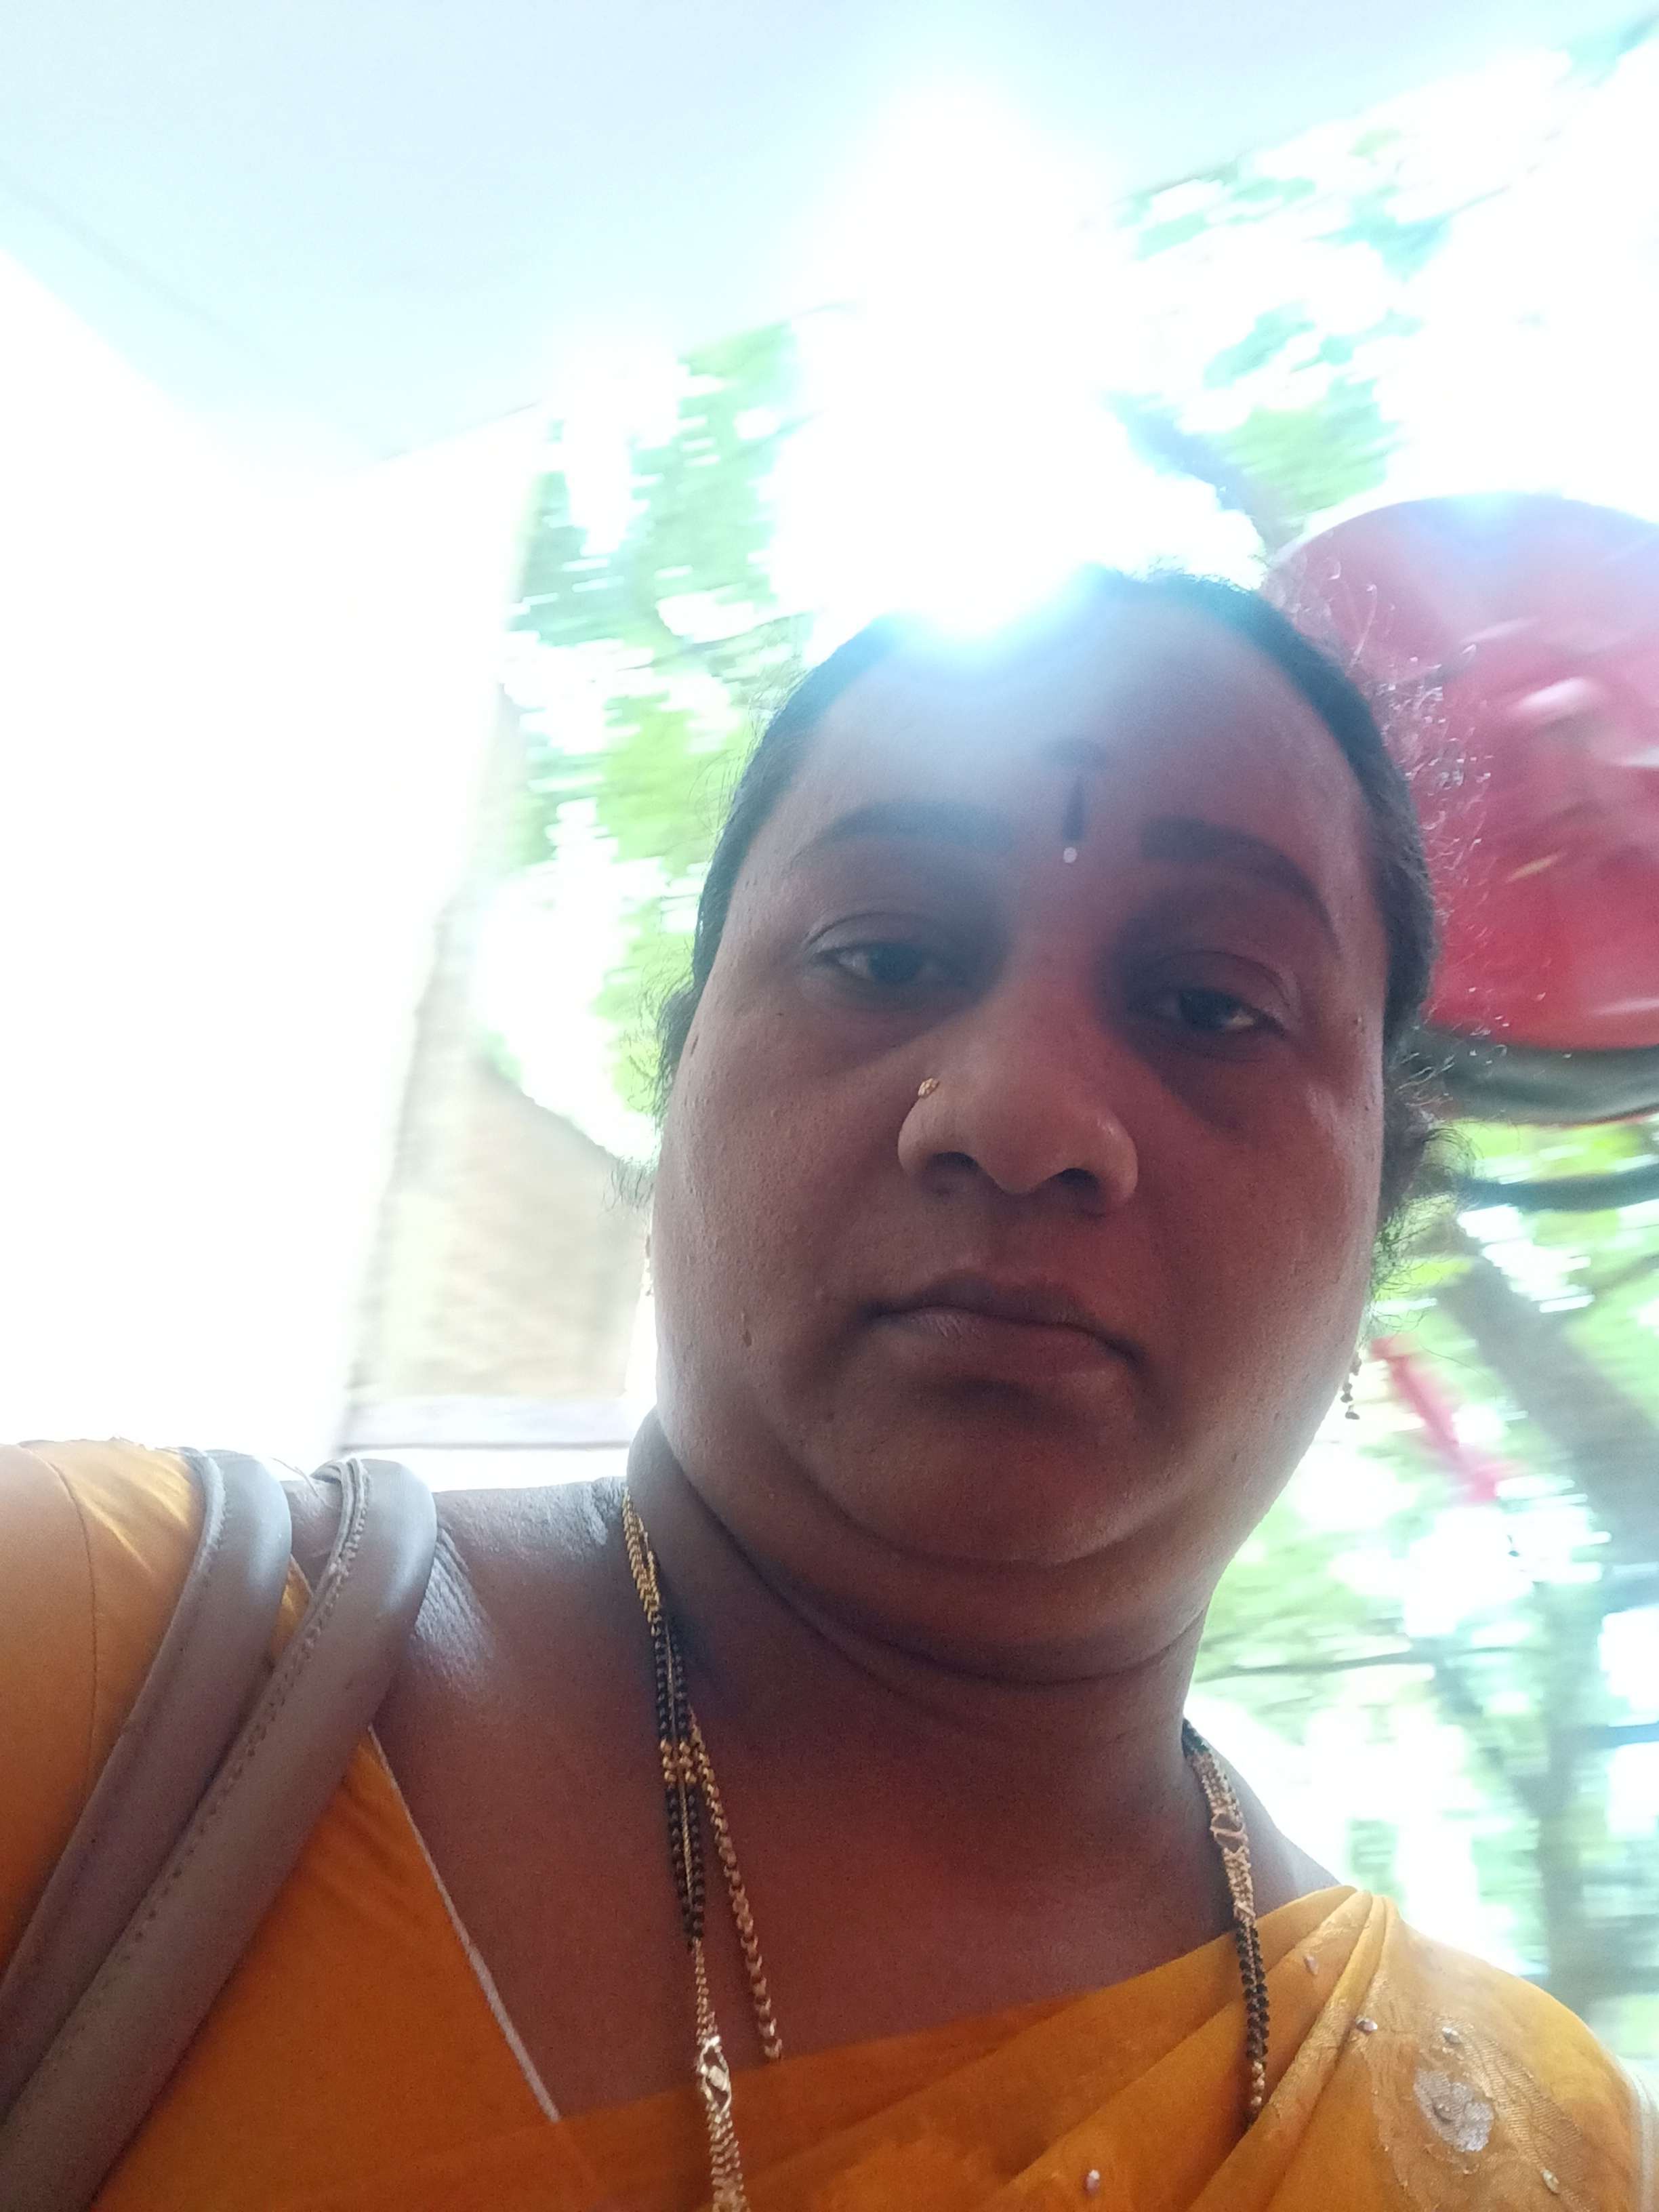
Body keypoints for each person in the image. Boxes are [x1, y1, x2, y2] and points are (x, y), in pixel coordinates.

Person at [3, 569, 1650, 2210]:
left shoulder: (1529, 2155)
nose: (1020, 1115)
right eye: (883, 955)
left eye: (1212, 1005)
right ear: (680, 1085)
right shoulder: (93, 1665)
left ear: (1382, 1208)